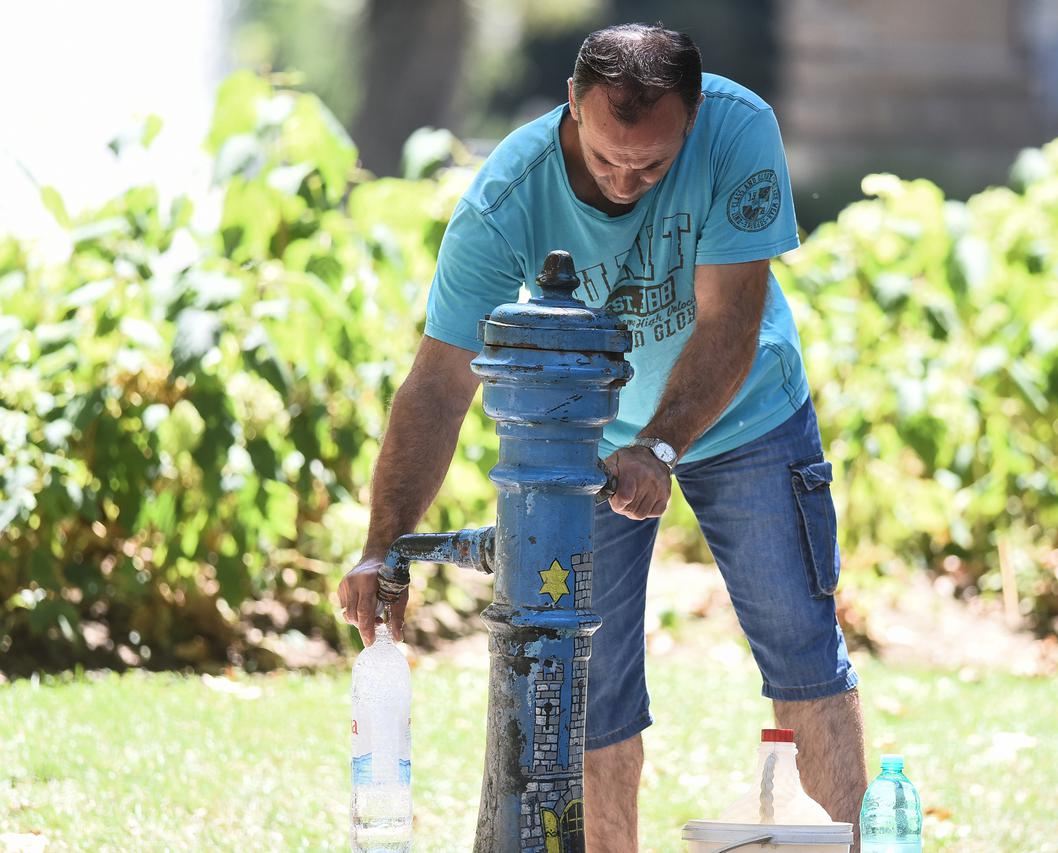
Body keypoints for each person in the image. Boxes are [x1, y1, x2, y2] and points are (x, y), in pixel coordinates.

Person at [338, 22, 867, 851]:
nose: (625, 181)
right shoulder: (507, 197)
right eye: (606, 156)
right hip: (583, 444)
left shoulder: (738, 129)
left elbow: (731, 322)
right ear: (572, 108)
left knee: (805, 654)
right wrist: (381, 543)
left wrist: (659, 447)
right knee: (589, 694)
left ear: (691, 119)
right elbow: (439, 387)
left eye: (651, 164)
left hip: (748, 409)